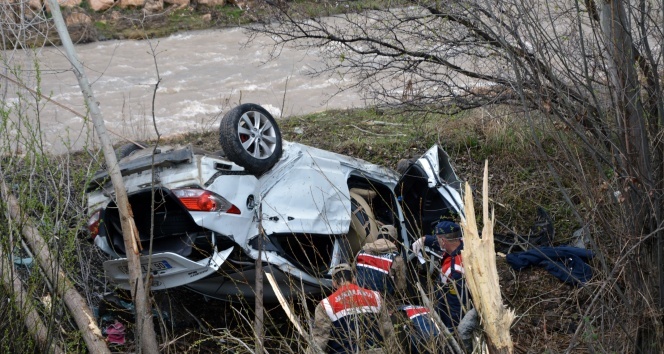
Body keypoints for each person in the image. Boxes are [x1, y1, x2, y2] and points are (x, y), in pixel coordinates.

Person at [310, 263, 395, 354]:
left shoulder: (326, 305)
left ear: (334, 283)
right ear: (353, 278)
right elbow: (388, 332)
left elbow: (319, 341)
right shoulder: (376, 297)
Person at [411, 220, 470, 332]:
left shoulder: (454, 271)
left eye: (438, 238)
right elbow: (442, 241)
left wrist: (452, 329)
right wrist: (424, 240)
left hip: (448, 301)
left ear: (443, 242)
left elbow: (456, 306)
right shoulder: (462, 243)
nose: (437, 241)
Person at [355, 225, 407, 300]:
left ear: (377, 239)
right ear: (394, 242)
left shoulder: (361, 252)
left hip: (358, 300)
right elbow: (400, 288)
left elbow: (352, 275)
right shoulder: (396, 259)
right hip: (383, 303)